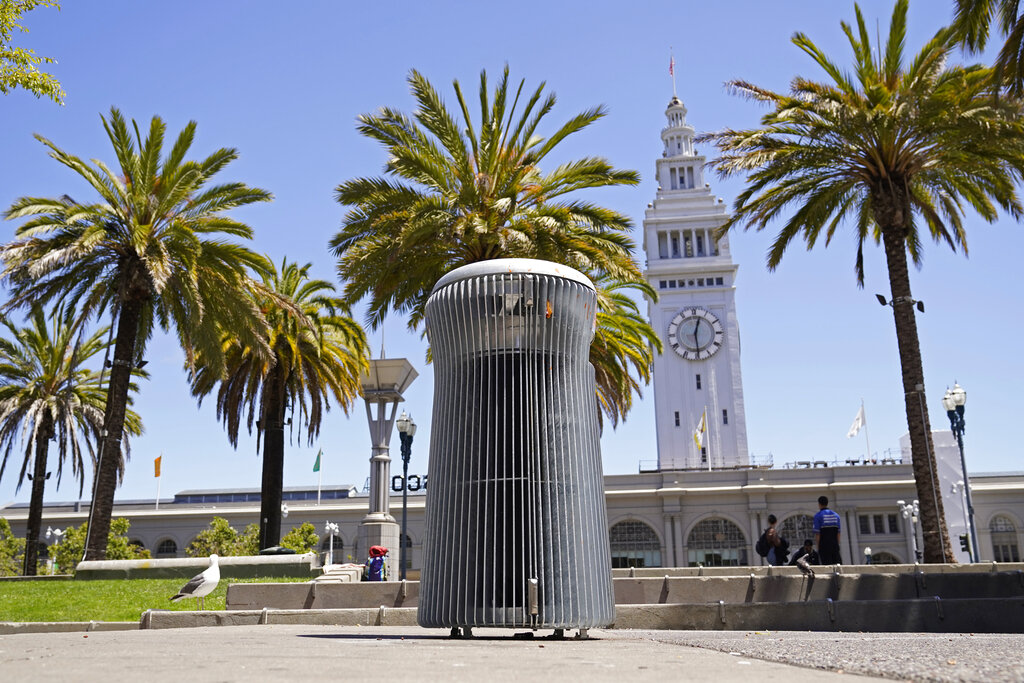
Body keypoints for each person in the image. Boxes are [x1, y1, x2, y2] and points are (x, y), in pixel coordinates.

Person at [813, 495, 842, 564]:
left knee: (827, 565)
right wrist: (837, 544)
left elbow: (818, 534)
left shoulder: (818, 516)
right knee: (837, 564)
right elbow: (838, 533)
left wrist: (818, 546)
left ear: (819, 504)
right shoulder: (836, 515)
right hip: (834, 545)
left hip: (824, 545)